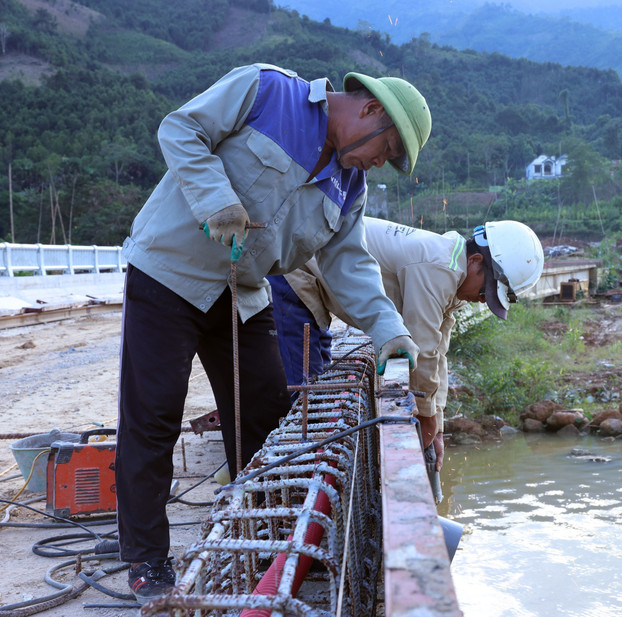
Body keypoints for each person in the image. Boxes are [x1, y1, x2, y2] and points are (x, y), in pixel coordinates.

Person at [116, 63, 430, 603]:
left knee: (262, 415)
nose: (380, 163)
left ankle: (259, 546)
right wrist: (216, 198)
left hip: (241, 292)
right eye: (387, 150)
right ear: (370, 108)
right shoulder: (266, 91)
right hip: (169, 273)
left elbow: (348, 265)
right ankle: (146, 560)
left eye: (389, 162)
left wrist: (389, 330)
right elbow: (180, 129)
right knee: (153, 416)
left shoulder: (348, 187)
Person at [268, 217, 545, 480]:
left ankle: (312, 466)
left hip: (317, 278)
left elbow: (439, 353)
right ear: (475, 261)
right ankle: (292, 474)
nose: (482, 301)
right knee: (304, 395)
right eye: (485, 292)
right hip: (297, 268)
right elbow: (421, 348)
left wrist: (437, 423)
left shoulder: (454, 270)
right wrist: (425, 417)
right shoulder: (438, 268)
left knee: (317, 389)